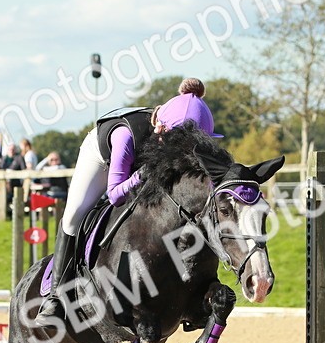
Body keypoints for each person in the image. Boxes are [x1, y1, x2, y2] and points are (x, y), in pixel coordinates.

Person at [35, 77, 219, 325]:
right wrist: (140, 177)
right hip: (101, 159)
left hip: (139, 163)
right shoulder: (125, 136)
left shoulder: (172, 133)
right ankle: (56, 296)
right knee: (73, 217)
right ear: (162, 131)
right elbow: (115, 194)